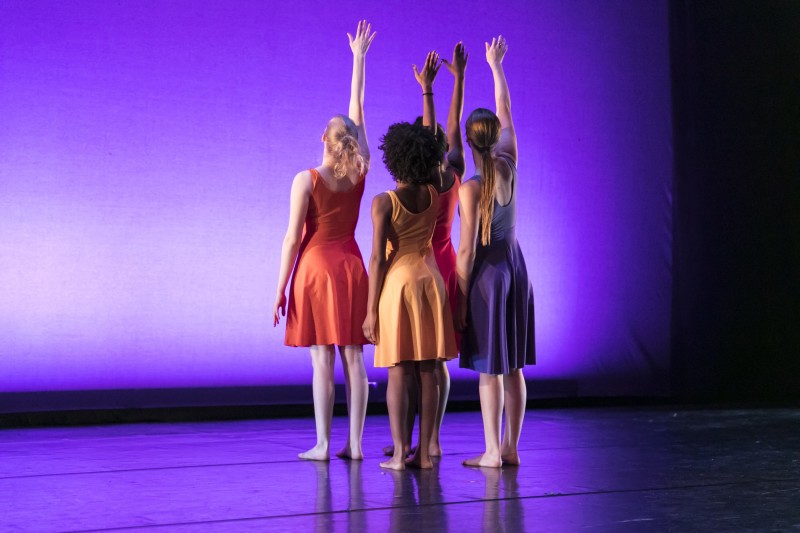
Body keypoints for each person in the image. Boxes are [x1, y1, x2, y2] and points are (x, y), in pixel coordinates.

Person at [273, 20, 376, 462]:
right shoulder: (360, 170)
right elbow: (359, 109)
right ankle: (354, 444)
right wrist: (359, 59)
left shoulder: (306, 180)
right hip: (351, 267)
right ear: (349, 144)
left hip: (315, 271)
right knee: (354, 359)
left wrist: (279, 287)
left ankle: (323, 442)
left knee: (322, 361)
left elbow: (293, 238)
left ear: (323, 139)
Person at [362, 51, 458, 470]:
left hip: (399, 285)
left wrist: (369, 311)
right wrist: (429, 90)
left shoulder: (384, 201)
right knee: (428, 369)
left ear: (394, 157)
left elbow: (377, 260)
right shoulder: (437, 191)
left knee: (399, 370)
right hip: (431, 282)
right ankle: (427, 452)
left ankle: (401, 453)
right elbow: (439, 138)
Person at [383, 42, 468, 459]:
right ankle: (426, 440)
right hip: (443, 266)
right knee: (433, 360)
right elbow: (450, 133)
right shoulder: (451, 174)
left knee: (416, 362)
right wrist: (459, 80)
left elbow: (439, 134)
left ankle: (418, 440)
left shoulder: (429, 185)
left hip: (425, 264)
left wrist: (428, 91)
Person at [456, 36, 535, 468]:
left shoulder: (470, 189)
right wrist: (495, 66)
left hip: (489, 277)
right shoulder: (509, 162)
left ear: (470, 142)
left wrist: (462, 298)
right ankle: (511, 448)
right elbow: (506, 109)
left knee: (490, 368)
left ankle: (491, 451)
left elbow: (467, 250)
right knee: (515, 366)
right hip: (516, 268)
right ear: (495, 138)